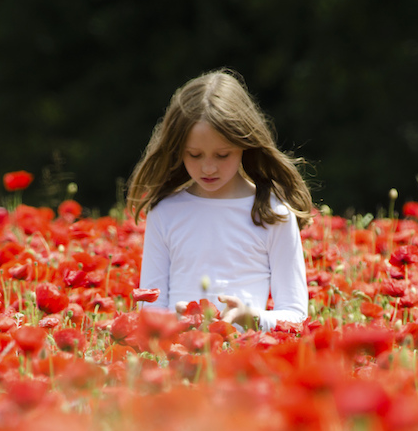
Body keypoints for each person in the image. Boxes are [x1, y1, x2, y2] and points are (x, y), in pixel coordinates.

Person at [127, 68, 313, 332]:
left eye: (222, 155)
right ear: (178, 150)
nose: (209, 168)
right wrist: (179, 322)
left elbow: (295, 316)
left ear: (244, 144)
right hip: (178, 364)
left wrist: (251, 318)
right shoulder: (165, 212)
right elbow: (150, 310)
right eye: (194, 155)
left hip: (246, 363)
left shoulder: (274, 213)